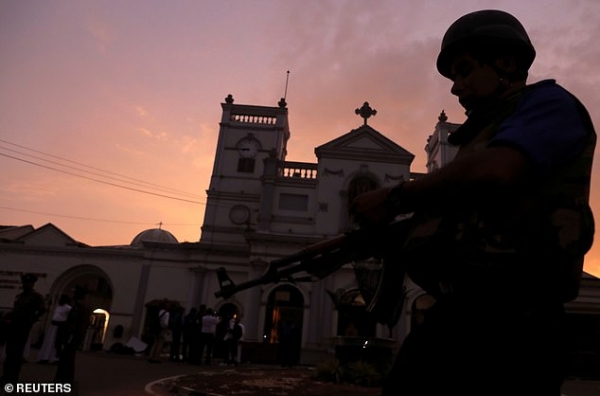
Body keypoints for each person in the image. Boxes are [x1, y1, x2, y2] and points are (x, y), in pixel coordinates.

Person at [350, 9, 595, 396]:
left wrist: (396, 196)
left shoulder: (550, 104)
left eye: (464, 70)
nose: (455, 86)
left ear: (506, 63)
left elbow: (499, 169)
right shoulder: (482, 135)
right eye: (453, 77)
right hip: (461, 314)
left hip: (517, 322)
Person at [0, 273, 46, 385]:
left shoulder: (36, 297)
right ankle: (6, 375)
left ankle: (13, 377)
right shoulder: (20, 296)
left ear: (33, 284)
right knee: (9, 351)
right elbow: (16, 311)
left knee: (17, 353)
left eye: (29, 283)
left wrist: (31, 320)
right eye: (25, 282)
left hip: (23, 328)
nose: (26, 285)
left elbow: (42, 310)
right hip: (12, 326)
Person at [54, 285, 91, 383]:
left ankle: (63, 379)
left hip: (72, 335)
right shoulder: (86, 305)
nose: (73, 294)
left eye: (75, 293)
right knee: (69, 357)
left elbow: (73, 322)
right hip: (78, 334)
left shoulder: (78, 306)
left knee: (66, 357)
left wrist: (67, 334)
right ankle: (66, 378)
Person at [37, 294, 72, 364]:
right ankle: (45, 357)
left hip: (60, 327)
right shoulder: (58, 307)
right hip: (53, 326)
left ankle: (56, 358)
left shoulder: (68, 308)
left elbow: (69, 318)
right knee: (48, 342)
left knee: (57, 343)